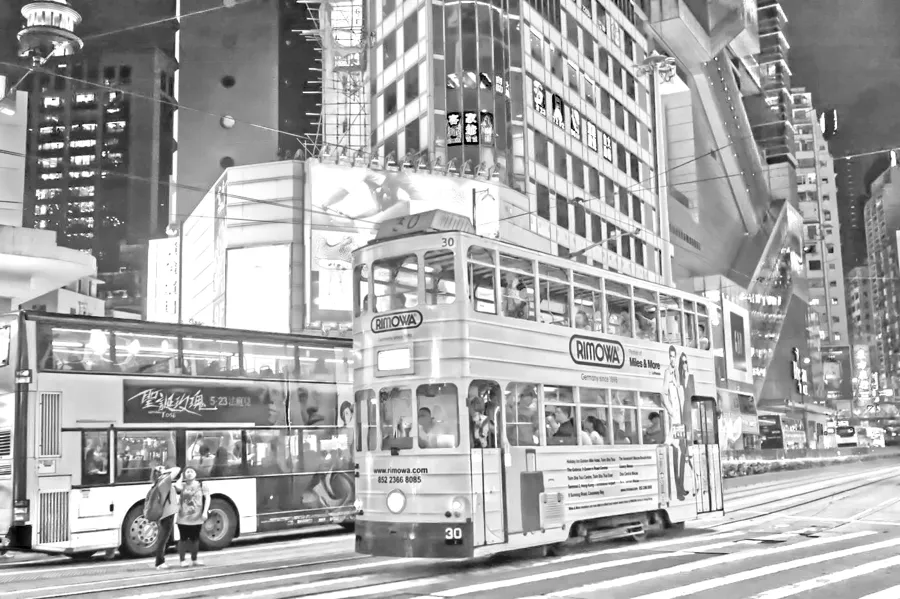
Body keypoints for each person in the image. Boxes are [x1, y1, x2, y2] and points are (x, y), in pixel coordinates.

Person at [174, 466, 210, 567]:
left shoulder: (202, 485)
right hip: (183, 518)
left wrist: (205, 512)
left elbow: (207, 498)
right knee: (183, 539)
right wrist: (180, 478)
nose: (189, 473)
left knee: (195, 539)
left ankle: (194, 559)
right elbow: (176, 486)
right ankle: (182, 560)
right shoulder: (182, 486)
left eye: (191, 471)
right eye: (187, 472)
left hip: (197, 517)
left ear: (196, 474)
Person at [150, 465, 181, 570]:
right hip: (167, 513)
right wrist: (165, 471)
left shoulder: (158, 483)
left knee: (163, 537)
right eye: (162, 469)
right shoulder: (164, 481)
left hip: (165, 512)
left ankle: (160, 561)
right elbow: (177, 469)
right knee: (163, 538)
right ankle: (160, 562)